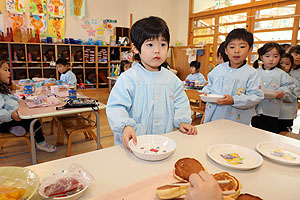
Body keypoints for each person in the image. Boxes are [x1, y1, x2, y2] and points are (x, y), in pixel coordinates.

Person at [106, 16, 197, 149]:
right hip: (135, 143)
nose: (157, 50)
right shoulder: (128, 79)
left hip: (165, 141)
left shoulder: (172, 80)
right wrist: (125, 126)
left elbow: (181, 103)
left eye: (162, 44)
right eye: (150, 44)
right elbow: (116, 107)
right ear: (136, 48)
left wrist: (182, 121)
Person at [201, 28, 264, 125]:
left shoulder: (252, 73)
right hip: (214, 117)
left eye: (242, 47)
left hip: (237, 120)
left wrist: (234, 100)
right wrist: (205, 92)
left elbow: (256, 96)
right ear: (226, 50)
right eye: (232, 47)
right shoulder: (218, 69)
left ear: (250, 49)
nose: (237, 51)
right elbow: (210, 85)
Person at [0, 61, 56, 152]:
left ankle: (15, 129)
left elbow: (13, 99)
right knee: (35, 121)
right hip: (5, 122)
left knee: (32, 116)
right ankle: (41, 144)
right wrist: (11, 115)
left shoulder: (3, 87)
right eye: (5, 70)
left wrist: (24, 101)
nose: (9, 72)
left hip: (15, 116)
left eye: (8, 69)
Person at [251, 43, 294, 133]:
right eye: (267, 56)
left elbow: (289, 85)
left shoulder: (281, 73)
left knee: (269, 132)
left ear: (279, 58)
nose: (271, 59)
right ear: (261, 57)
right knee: (254, 130)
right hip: (255, 109)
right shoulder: (255, 72)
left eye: (275, 56)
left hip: (272, 110)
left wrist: (282, 92)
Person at [278, 53, 300, 133]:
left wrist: (278, 95)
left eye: (287, 64)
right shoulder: (273, 77)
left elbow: (293, 96)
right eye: (281, 63)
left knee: (283, 133)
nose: (283, 66)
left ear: (291, 66)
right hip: (272, 113)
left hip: (286, 114)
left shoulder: (294, 81)